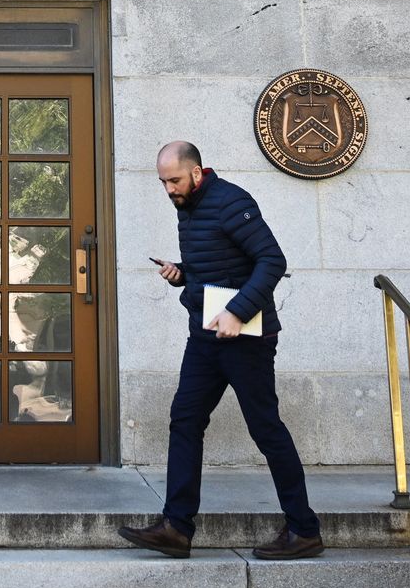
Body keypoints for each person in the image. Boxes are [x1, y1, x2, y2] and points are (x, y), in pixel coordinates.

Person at [117, 141, 325, 561]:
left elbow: (271, 260)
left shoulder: (232, 201)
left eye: (174, 180)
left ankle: (304, 530)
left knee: (266, 429)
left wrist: (237, 311)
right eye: (163, 182)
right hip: (205, 335)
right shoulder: (190, 207)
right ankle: (176, 528)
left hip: (246, 338)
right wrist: (182, 275)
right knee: (185, 420)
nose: (169, 190)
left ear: (196, 172)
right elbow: (220, 264)